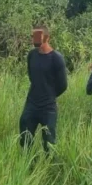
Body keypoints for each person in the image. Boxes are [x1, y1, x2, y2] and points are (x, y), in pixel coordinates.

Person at [19, 25, 68, 153]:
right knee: (25, 136)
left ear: (47, 38)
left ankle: (49, 163)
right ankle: (28, 162)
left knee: (49, 143)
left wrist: (49, 95)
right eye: (32, 37)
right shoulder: (32, 55)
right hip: (31, 103)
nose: (33, 40)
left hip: (48, 107)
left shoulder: (56, 58)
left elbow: (63, 85)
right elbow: (32, 76)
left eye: (37, 37)